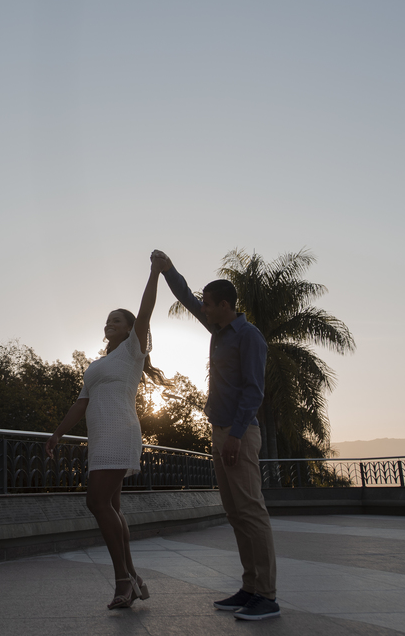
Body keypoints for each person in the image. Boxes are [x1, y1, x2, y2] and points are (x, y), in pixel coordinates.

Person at [152, 249, 281, 621]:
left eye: (209, 305)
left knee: (251, 512)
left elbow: (254, 391)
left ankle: (267, 596)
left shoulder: (249, 337)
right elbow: (187, 297)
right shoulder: (220, 330)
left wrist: (237, 436)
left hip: (238, 434)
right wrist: (168, 269)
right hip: (220, 432)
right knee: (236, 513)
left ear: (225, 305)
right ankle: (250, 587)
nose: (203, 309)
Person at [46, 254, 169, 610]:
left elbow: (144, 312)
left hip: (121, 433)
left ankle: (122, 581)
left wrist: (154, 273)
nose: (109, 324)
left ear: (130, 330)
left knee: (96, 502)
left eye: (116, 320)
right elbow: (81, 404)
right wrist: (57, 434)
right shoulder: (96, 366)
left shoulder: (133, 351)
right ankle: (132, 576)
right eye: (107, 321)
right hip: (99, 439)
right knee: (112, 506)